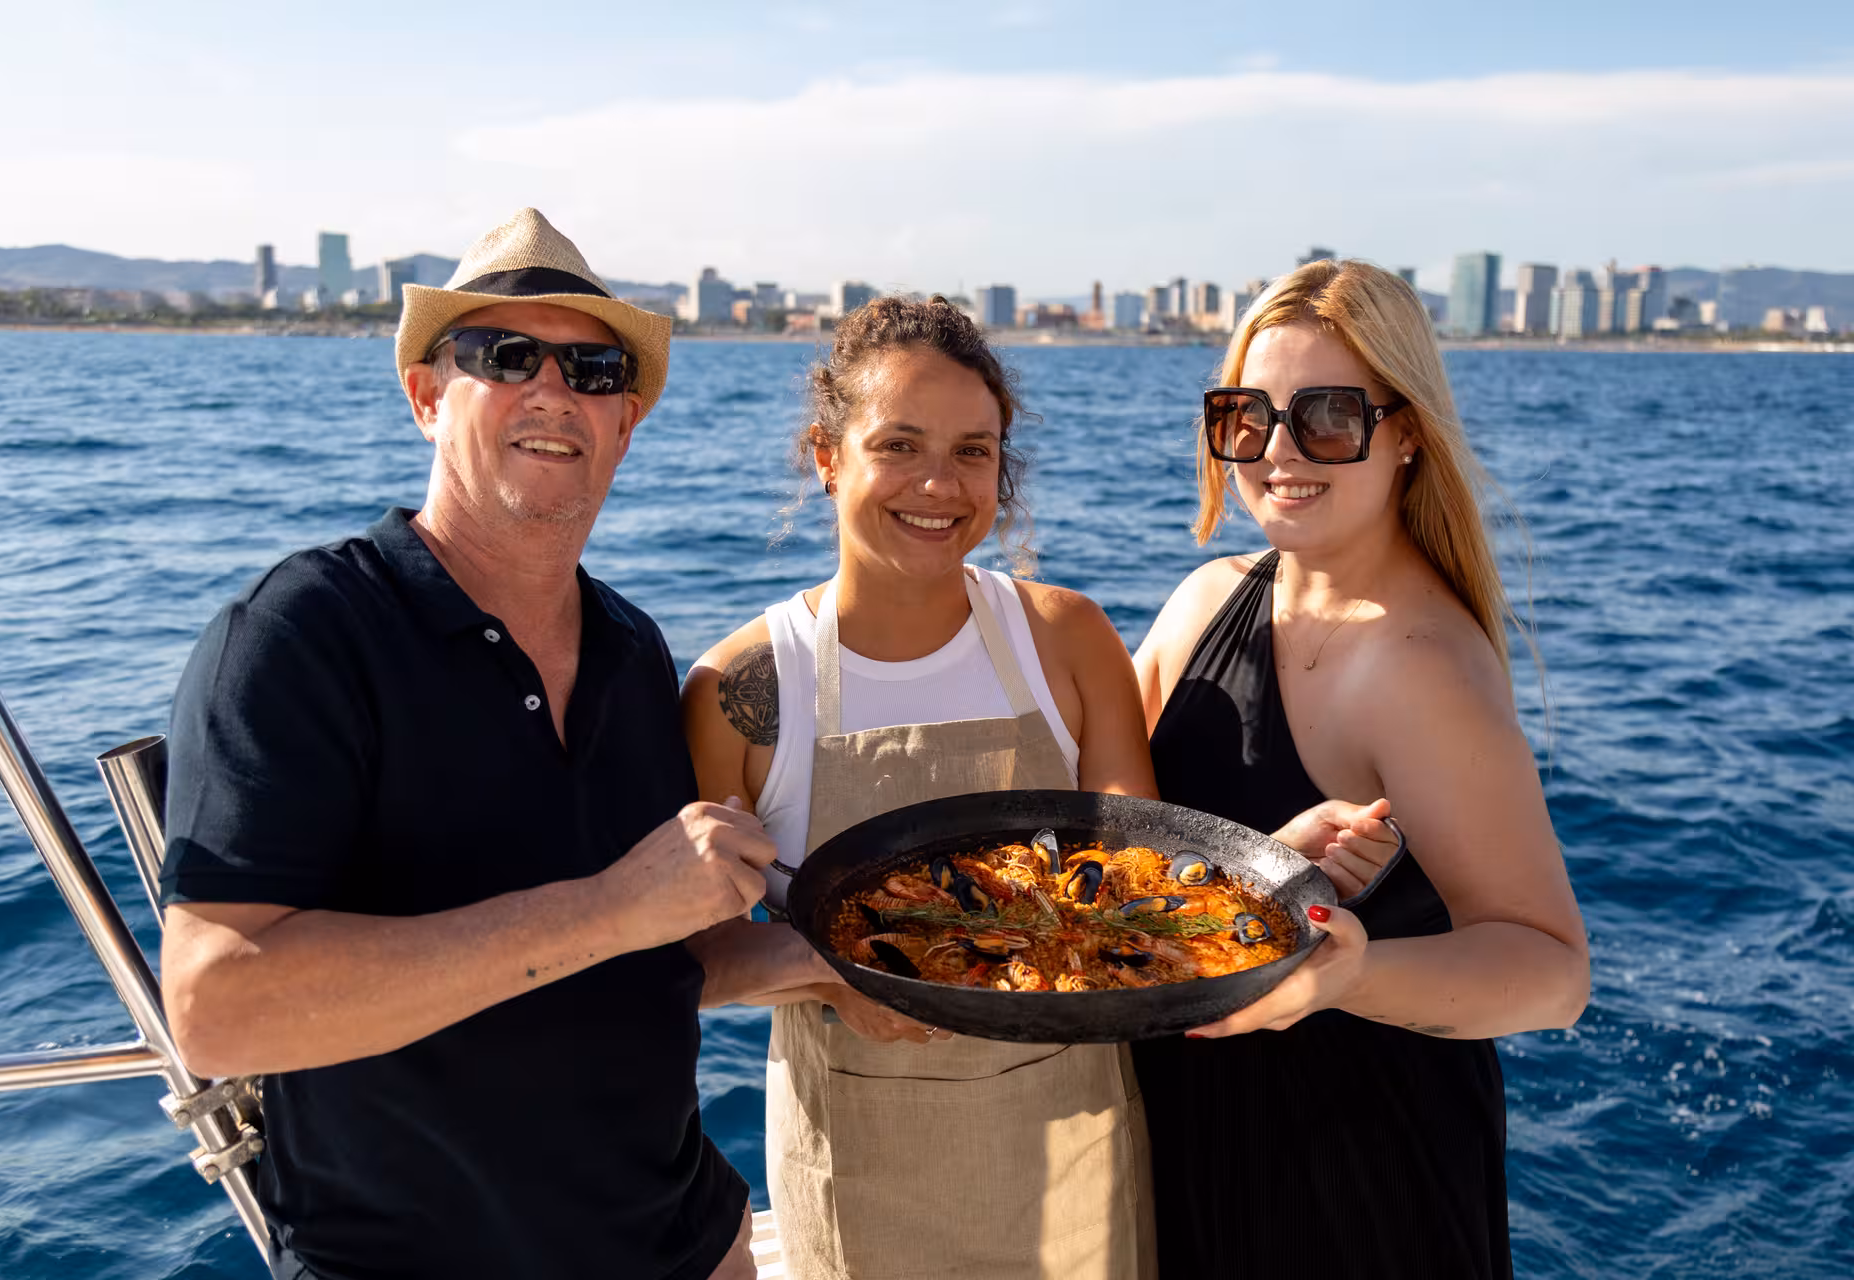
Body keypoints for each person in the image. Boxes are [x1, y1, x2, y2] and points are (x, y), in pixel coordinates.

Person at [681, 295, 1402, 1280]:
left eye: (973, 451)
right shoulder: (742, 690)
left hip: (1079, 1149)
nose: (940, 484)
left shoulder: (1065, 640)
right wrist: (826, 967)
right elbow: (690, 966)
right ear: (827, 456)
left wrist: (1274, 861)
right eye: (899, 445)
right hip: (861, 1166)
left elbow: (1134, 889)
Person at [157, 209, 773, 1280]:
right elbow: (219, 1009)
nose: (554, 390)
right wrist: (611, 905)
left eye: (593, 369)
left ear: (624, 425)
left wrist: (839, 965)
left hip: (689, 1243)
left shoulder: (632, 649)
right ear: (426, 397)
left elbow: (649, 949)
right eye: (506, 356)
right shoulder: (303, 634)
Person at [1130, 259, 1592, 1277]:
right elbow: (1100, 829)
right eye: (1247, 416)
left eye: (1329, 417)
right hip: (1193, 1146)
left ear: (1407, 431)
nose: (1279, 451)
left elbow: (1555, 973)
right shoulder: (1205, 601)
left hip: (1356, 1189)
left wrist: (1346, 976)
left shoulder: (1419, 668)